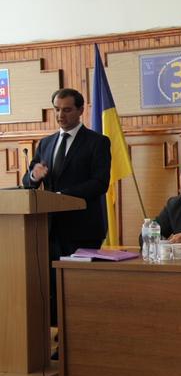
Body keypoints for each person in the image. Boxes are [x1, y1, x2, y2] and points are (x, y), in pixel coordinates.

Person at [22, 88, 111, 328]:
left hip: (83, 229)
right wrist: (34, 175)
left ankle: (80, 335)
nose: (60, 115)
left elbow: (100, 183)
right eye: (57, 109)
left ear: (81, 110)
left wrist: (62, 196)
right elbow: (28, 181)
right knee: (52, 287)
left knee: (78, 289)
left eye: (67, 110)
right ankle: (56, 335)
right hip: (49, 230)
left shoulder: (97, 142)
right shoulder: (46, 143)